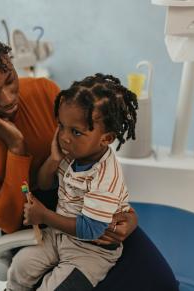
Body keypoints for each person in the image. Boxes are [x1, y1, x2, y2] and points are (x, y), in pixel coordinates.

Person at [0, 1, 179, 290]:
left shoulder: (44, 92)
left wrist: (126, 215)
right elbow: (8, 221)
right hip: (35, 231)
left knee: (162, 283)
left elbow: (94, 162)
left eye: (10, 80)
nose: (7, 98)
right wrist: (16, 151)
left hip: (85, 216)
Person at [7, 74, 138, 290]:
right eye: (61, 126)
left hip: (90, 250)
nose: (65, 137)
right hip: (58, 235)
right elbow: (44, 182)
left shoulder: (106, 175)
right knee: (19, 268)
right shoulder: (72, 154)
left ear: (105, 139)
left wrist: (44, 215)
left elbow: (91, 229)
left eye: (76, 131)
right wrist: (54, 159)